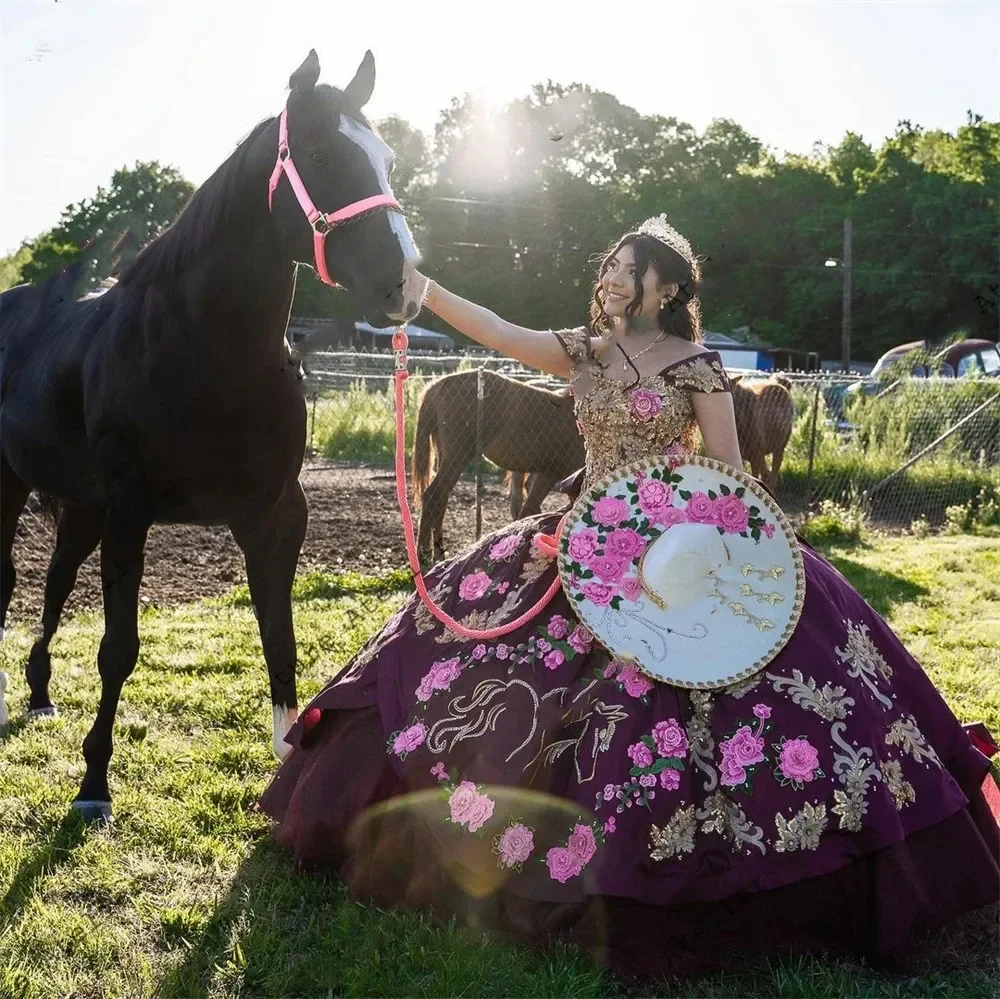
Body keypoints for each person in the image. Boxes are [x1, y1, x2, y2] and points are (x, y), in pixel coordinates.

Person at [259, 216, 999, 979]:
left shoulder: (699, 367)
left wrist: (720, 554)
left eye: (628, 269)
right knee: (465, 646)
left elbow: (731, 473)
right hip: (579, 538)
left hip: (674, 549)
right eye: (607, 266)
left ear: (669, 288)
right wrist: (427, 291)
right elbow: (498, 329)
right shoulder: (583, 350)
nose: (610, 278)